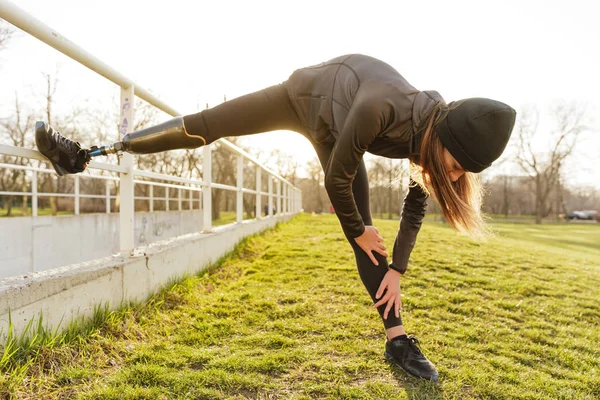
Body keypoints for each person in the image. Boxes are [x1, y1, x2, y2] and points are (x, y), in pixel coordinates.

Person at [35, 54, 516, 382]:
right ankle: (87, 153)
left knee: (366, 238)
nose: (449, 176)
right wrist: (359, 228)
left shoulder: (431, 130)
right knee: (207, 124)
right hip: (301, 96)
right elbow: (336, 182)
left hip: (334, 126)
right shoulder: (381, 108)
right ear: (444, 138)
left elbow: (417, 202)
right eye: (453, 165)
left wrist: (398, 268)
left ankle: (398, 340)